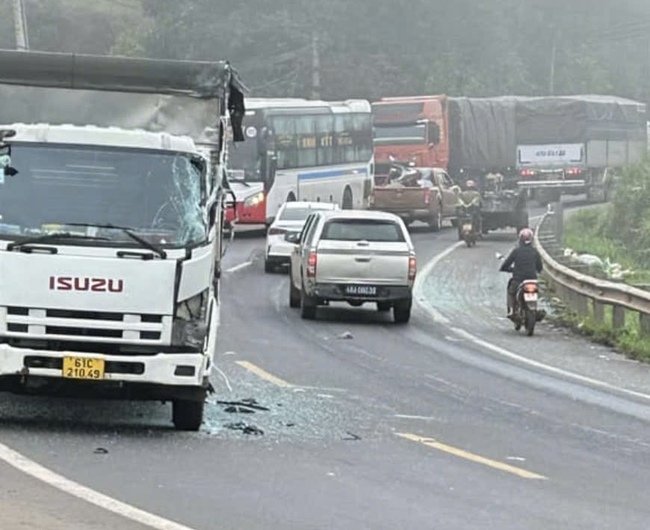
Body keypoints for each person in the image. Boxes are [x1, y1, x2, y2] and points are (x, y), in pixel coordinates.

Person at [499, 227, 543, 317]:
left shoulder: (516, 251)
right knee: (537, 292)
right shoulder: (534, 251)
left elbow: (506, 264)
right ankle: (535, 308)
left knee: (511, 292)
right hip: (532, 279)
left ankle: (511, 310)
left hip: (519, 280)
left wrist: (507, 269)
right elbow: (539, 267)